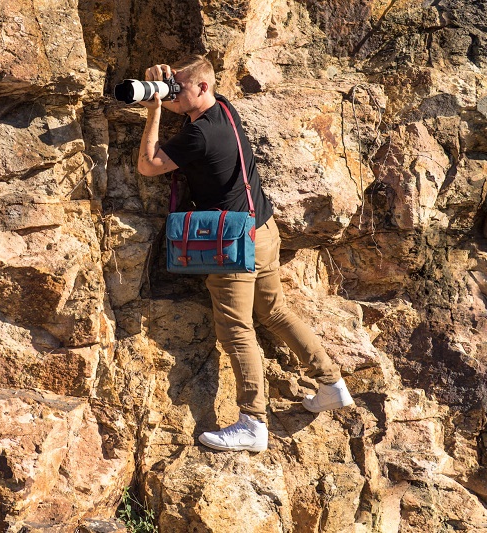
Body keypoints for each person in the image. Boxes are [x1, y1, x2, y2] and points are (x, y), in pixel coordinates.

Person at [136, 55, 353, 453]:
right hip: (263, 229)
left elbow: (149, 166)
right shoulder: (223, 110)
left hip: (233, 244)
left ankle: (253, 423)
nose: (174, 96)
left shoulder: (197, 136)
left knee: (236, 329)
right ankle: (331, 383)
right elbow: (185, 104)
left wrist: (152, 112)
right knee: (274, 312)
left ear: (202, 87)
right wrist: (164, 87)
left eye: (180, 89)